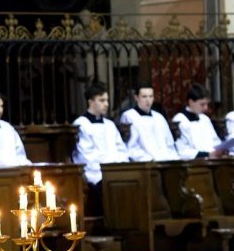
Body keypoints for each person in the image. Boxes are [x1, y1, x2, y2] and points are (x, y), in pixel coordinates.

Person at [71, 82, 129, 214]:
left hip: (114, 168)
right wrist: (110, 164)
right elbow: (86, 155)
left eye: (107, 100)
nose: (106, 104)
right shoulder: (81, 124)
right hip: (95, 171)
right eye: (102, 100)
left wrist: (119, 164)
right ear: (90, 102)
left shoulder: (110, 125)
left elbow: (121, 149)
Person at [119, 83, 178, 162]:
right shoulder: (129, 116)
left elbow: (169, 143)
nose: (148, 100)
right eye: (144, 97)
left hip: (166, 160)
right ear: (136, 97)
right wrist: (148, 159)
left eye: (151, 96)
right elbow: (132, 146)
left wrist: (172, 158)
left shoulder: (159, 117)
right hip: (147, 163)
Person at [173, 83, 227, 159]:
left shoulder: (205, 119)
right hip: (195, 163)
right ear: (191, 102)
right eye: (202, 104)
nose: (206, 108)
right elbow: (182, 150)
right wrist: (207, 154)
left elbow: (215, 141)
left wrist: (219, 150)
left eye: (207, 104)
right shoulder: (180, 120)